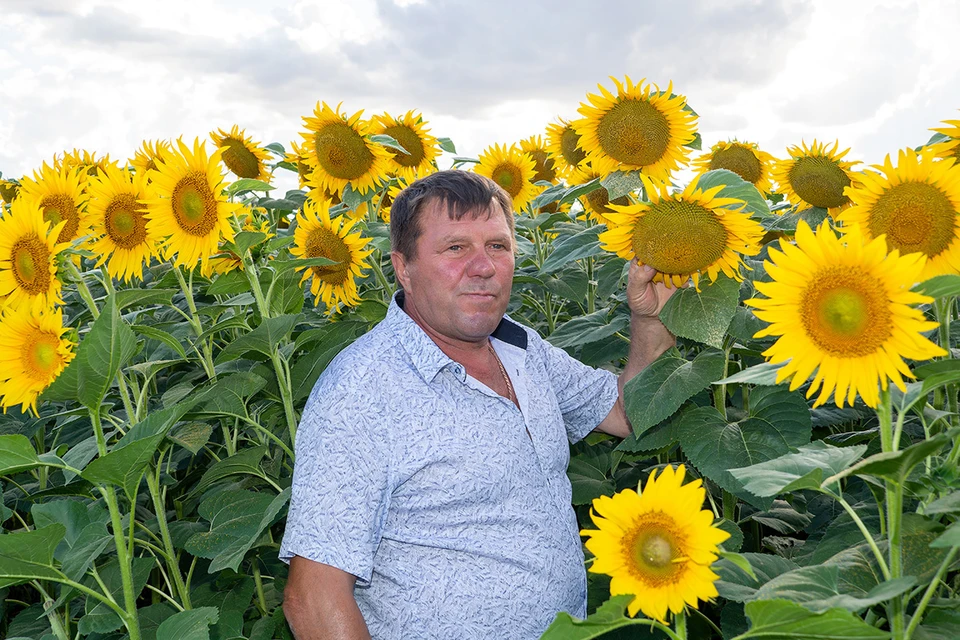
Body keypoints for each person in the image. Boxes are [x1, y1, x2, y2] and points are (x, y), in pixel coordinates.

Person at [280, 170, 677, 639]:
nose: (483, 266)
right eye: (455, 248)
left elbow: (629, 413)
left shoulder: (522, 349)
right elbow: (312, 597)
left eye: (498, 246)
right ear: (403, 266)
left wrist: (650, 317)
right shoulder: (363, 388)